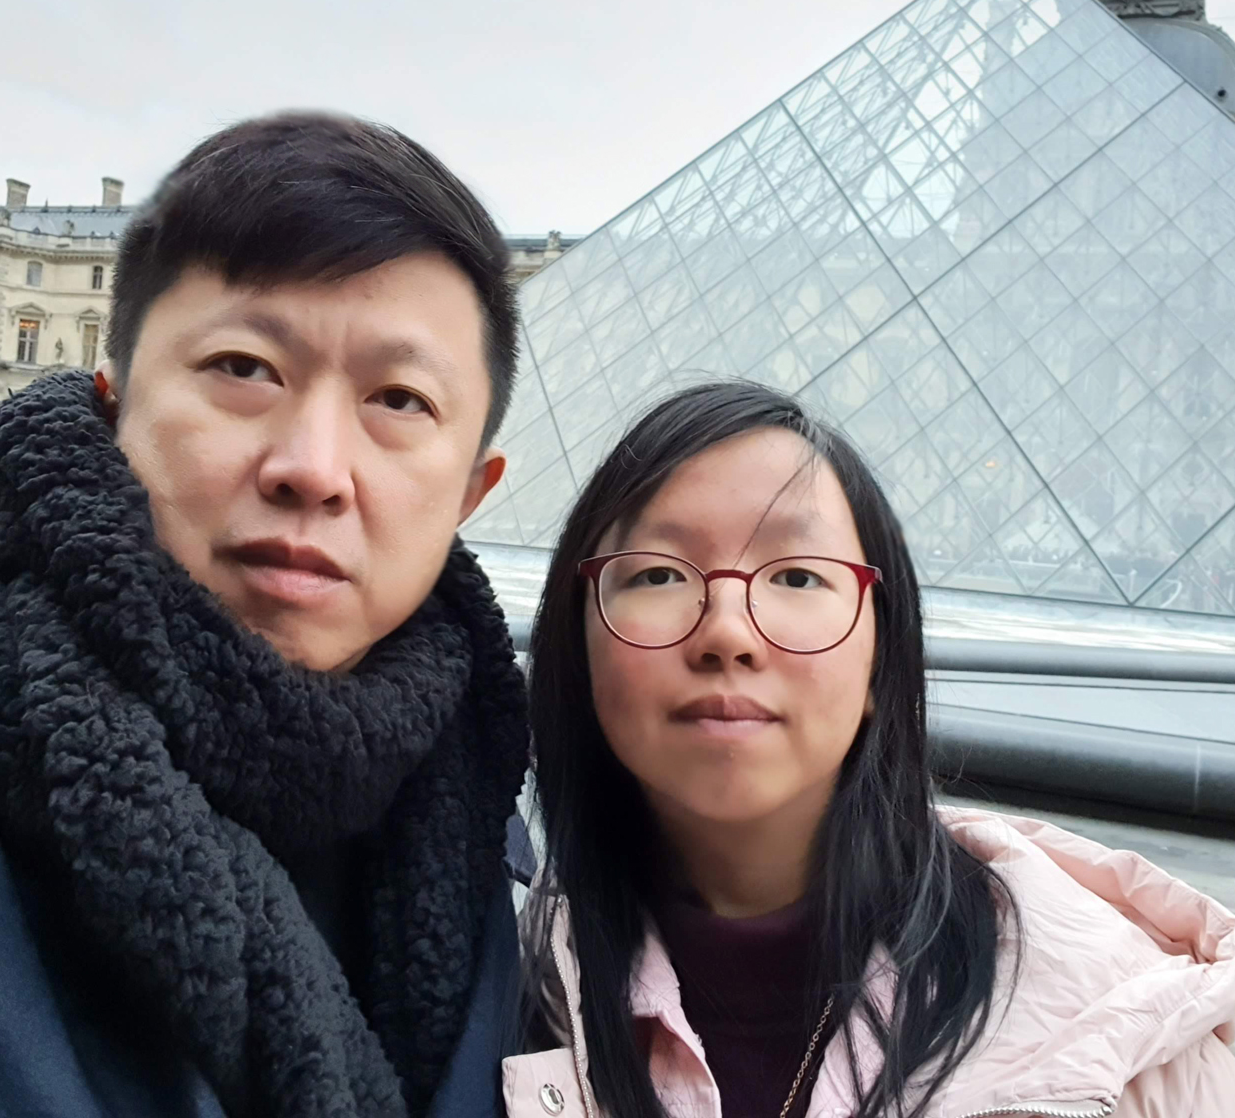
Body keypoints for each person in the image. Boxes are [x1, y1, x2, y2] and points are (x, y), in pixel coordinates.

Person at [0, 112, 532, 1117]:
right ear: (109, 404)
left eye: (399, 398)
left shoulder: (493, 848)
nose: (312, 468)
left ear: (471, 492)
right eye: (245, 368)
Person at [505, 380, 1235, 1118]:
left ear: (881, 663)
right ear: (579, 649)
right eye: (658, 574)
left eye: (797, 576)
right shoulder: (494, 993)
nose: (727, 631)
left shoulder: (1132, 1037)